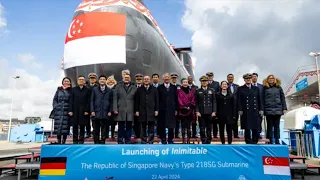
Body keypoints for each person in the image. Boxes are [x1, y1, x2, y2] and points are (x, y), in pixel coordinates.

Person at [237, 73, 263, 144]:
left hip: (255, 110)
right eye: (246, 79)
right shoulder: (240, 88)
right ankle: (248, 141)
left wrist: (261, 109)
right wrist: (239, 109)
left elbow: (259, 99)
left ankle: (255, 141)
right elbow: (239, 100)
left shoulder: (256, 88)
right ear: (244, 80)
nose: (248, 80)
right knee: (247, 127)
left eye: (249, 78)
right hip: (245, 110)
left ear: (251, 79)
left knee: (255, 127)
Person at [262, 74, 287, 144]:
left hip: (278, 109)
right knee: (269, 126)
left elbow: (282, 98)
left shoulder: (279, 88)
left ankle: (277, 140)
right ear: (267, 80)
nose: (271, 79)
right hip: (268, 109)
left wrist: (284, 108)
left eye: (272, 78)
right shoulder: (265, 88)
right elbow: (262, 99)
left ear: (274, 79)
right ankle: (269, 140)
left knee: (277, 126)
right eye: (269, 78)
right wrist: (262, 109)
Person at [113, 73, 137, 144]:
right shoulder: (118, 87)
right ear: (123, 79)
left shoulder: (134, 88)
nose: (126, 79)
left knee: (129, 126)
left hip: (130, 109)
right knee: (121, 126)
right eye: (125, 77)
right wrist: (115, 108)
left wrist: (136, 110)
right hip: (120, 109)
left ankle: (128, 140)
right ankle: (120, 140)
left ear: (130, 79)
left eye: (128, 77)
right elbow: (115, 98)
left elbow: (136, 100)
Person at [135, 75, 159, 144]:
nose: (146, 80)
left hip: (151, 111)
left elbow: (157, 100)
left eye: (147, 79)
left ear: (150, 80)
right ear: (143, 80)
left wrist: (156, 110)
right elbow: (137, 101)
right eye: (145, 79)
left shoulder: (154, 89)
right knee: (143, 127)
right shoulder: (139, 89)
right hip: (142, 111)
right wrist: (137, 110)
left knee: (151, 127)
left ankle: (151, 141)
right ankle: (144, 141)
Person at [68, 75, 91, 144]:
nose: (81, 80)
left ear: (84, 81)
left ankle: (81, 140)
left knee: (82, 125)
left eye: (82, 79)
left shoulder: (88, 90)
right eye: (80, 79)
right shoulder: (73, 89)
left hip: (84, 111)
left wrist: (87, 110)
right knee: (75, 126)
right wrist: (70, 110)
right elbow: (70, 100)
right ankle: (75, 140)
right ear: (77, 81)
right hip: (74, 111)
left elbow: (89, 101)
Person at [90, 75, 113, 144]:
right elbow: (92, 100)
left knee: (104, 129)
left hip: (105, 112)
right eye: (101, 79)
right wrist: (92, 110)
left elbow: (111, 101)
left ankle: (103, 141)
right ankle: (96, 142)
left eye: (104, 79)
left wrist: (110, 111)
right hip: (96, 112)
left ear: (106, 81)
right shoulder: (95, 89)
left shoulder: (109, 90)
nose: (102, 80)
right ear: (99, 81)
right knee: (95, 129)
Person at [158, 73, 178, 144]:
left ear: (170, 79)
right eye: (165, 77)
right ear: (163, 79)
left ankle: (170, 139)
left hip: (171, 109)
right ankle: (163, 139)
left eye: (168, 77)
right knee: (162, 125)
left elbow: (176, 99)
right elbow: (158, 99)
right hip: (162, 109)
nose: (166, 79)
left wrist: (176, 109)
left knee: (171, 125)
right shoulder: (159, 87)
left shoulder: (174, 87)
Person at [196, 76, 217, 144]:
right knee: (202, 128)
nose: (204, 82)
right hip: (201, 112)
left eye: (205, 81)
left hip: (210, 112)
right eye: (202, 81)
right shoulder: (198, 91)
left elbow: (214, 101)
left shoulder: (212, 90)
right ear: (201, 82)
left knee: (209, 128)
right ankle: (203, 140)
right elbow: (196, 102)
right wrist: (197, 111)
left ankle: (208, 140)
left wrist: (214, 111)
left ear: (207, 82)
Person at [52, 77, 72, 144]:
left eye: (67, 81)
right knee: (58, 126)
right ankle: (58, 140)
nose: (66, 82)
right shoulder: (58, 90)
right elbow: (55, 99)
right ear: (62, 82)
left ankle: (64, 141)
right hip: (58, 110)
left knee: (65, 127)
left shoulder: (71, 91)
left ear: (70, 83)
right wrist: (55, 106)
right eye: (65, 81)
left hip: (67, 111)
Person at [177, 78, 196, 144]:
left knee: (188, 127)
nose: (185, 83)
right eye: (184, 82)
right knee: (183, 127)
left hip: (190, 111)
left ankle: (188, 140)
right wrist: (183, 107)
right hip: (182, 111)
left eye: (186, 82)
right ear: (182, 83)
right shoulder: (179, 91)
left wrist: (189, 106)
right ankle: (183, 140)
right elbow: (179, 100)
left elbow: (193, 100)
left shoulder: (191, 91)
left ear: (188, 83)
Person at [227, 73, 240, 138]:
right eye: (229, 77)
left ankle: (236, 134)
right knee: (228, 121)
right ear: (227, 78)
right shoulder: (225, 86)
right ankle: (229, 134)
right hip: (228, 106)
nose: (230, 78)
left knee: (235, 120)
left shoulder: (237, 86)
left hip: (236, 106)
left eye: (231, 77)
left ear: (233, 78)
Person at [206, 72, 219, 138]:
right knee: (208, 121)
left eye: (211, 76)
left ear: (213, 76)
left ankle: (215, 134)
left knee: (215, 121)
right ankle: (208, 135)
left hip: (214, 103)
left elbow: (218, 93)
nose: (210, 77)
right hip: (207, 105)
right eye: (208, 76)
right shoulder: (205, 83)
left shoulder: (216, 83)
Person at [86, 72, 98, 138]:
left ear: (96, 79)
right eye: (91, 78)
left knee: (94, 120)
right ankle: (88, 133)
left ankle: (94, 132)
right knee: (87, 120)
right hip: (87, 105)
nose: (92, 79)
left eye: (93, 78)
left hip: (95, 105)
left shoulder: (98, 87)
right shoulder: (86, 87)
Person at [252, 73, 264, 139]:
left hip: (259, 107)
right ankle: (253, 134)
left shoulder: (261, 87)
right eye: (253, 77)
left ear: (257, 78)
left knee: (259, 121)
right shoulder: (249, 86)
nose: (254, 78)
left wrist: (262, 108)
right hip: (251, 107)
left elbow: (263, 97)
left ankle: (258, 133)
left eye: (255, 77)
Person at [171, 72, 181, 138]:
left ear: (176, 78)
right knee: (171, 121)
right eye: (173, 78)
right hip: (171, 106)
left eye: (175, 78)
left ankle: (176, 134)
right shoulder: (170, 86)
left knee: (177, 121)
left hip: (178, 106)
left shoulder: (179, 86)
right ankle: (171, 135)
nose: (174, 79)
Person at [133, 73, 143, 139]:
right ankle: (137, 134)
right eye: (137, 79)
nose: (139, 80)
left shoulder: (144, 87)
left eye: (140, 79)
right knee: (135, 123)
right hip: (134, 107)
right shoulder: (133, 87)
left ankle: (142, 135)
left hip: (142, 107)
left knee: (142, 123)